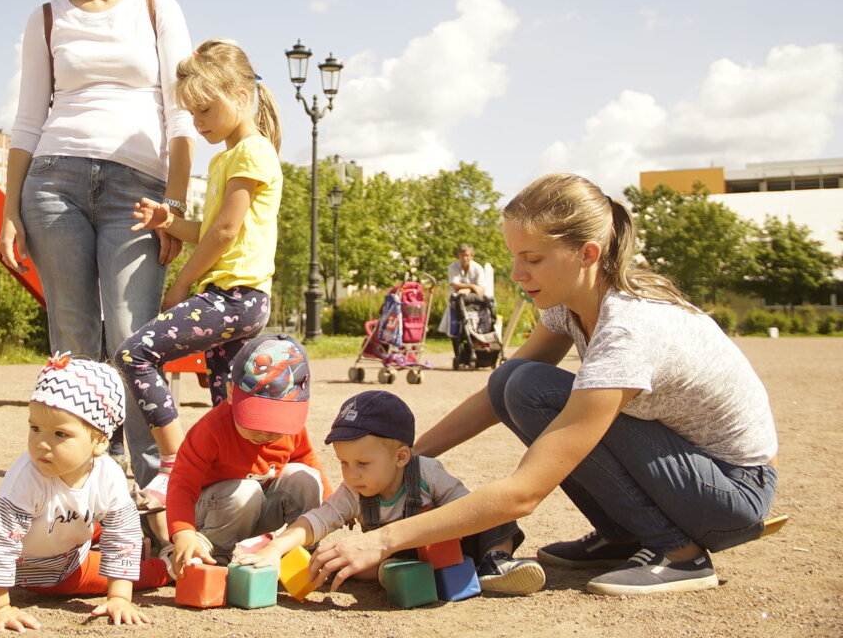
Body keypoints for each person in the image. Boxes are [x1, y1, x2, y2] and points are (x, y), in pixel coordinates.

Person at [310, 173, 779, 597]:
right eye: (514, 256)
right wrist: (402, 467)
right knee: (516, 381)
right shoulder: (570, 304)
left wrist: (383, 538)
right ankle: (627, 534)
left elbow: (525, 493)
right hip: (688, 477)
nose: (516, 274)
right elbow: (498, 394)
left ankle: (680, 555)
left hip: (729, 495)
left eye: (532, 258)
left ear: (587, 253)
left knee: (537, 390)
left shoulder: (627, 331)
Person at [0, 0, 197, 489]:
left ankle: (155, 485)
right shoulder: (46, 18)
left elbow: (181, 113)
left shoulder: (158, 10)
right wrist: (11, 209)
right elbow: (28, 118)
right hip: (53, 183)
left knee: (134, 335)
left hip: (138, 191)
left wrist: (176, 207)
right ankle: (87, 485)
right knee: (74, 335)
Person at [114, 39, 282, 503]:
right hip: (240, 299)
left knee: (134, 355)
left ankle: (173, 465)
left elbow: (226, 233)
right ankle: (243, 488)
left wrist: (183, 285)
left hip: (233, 296)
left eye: (205, 111)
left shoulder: (251, 152)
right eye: (192, 114)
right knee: (228, 404)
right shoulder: (230, 156)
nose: (199, 123)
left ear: (241, 95)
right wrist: (168, 220)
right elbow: (210, 228)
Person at [235, 390, 545, 595]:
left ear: (401, 457)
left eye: (363, 463)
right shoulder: (354, 491)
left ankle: (497, 561)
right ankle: (372, 574)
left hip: (449, 544)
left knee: (493, 514)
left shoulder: (427, 473)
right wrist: (278, 547)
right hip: (393, 556)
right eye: (344, 462)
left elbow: (466, 507)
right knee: (346, 559)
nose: (351, 473)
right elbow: (318, 519)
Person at [0, 355, 169, 631]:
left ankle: (147, 546)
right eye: (35, 428)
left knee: (122, 527)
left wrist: (119, 599)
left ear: (100, 441)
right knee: (137, 573)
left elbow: (122, 533)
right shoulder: (26, 479)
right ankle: (168, 568)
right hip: (52, 569)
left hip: (69, 528)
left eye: (59, 434)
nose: (41, 443)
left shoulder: (108, 472)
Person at [161, 334, 330, 578]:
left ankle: (298, 551)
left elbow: (307, 460)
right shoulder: (210, 430)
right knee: (245, 492)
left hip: (259, 508)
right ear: (230, 393)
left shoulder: (291, 432)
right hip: (216, 512)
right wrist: (183, 532)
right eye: (256, 420)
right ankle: (212, 554)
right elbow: (181, 485)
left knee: (305, 477)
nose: (265, 433)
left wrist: (333, 505)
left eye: (276, 425)